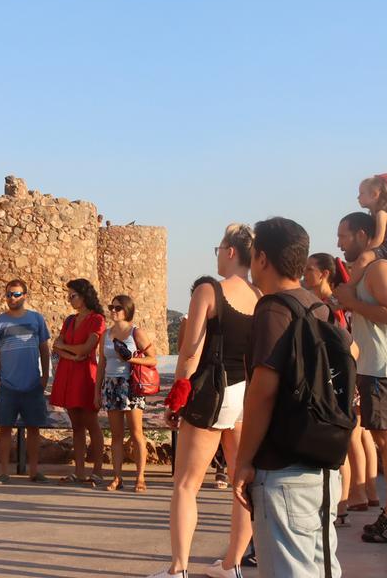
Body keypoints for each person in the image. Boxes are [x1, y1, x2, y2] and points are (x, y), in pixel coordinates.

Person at [232, 217, 351, 577]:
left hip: (283, 470)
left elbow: (263, 392)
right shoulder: (319, 307)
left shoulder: (273, 310)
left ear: (262, 259)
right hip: (322, 467)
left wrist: (243, 462)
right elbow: (352, 352)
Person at [153, 224, 257, 578]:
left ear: (231, 251)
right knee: (242, 485)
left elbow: (189, 353)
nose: (217, 255)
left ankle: (178, 569)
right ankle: (232, 565)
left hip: (213, 395)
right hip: (247, 396)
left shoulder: (209, 290)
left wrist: (176, 399)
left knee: (186, 484)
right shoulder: (259, 295)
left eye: (219, 248)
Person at [333, 211, 387, 543]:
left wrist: (351, 301)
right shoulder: (367, 272)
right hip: (375, 366)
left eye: (343, 236)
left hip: (385, 366)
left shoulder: (381, 269)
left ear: (363, 236)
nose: (339, 243)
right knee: (382, 438)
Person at [304, 252, 361, 527]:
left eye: (309, 269)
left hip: (332, 382)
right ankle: (342, 506)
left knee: (340, 447)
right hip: (335, 380)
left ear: (324, 274)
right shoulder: (327, 304)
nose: (304, 273)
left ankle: (341, 504)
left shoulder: (330, 307)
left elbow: (348, 346)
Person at [0, 279, 52, 484]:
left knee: (34, 428)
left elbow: (44, 349)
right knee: (4, 428)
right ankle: (3, 472)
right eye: (8, 295)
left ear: (24, 296)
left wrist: (44, 377)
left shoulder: (36, 319)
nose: (12, 298)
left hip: (32, 384)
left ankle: (34, 471)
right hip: (7, 386)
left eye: (16, 294)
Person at [94, 294, 156, 492]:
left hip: (131, 384)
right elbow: (101, 364)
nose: (113, 311)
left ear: (127, 310)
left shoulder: (135, 333)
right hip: (111, 385)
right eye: (111, 307)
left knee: (136, 433)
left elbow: (152, 359)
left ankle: (140, 477)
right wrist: (97, 391)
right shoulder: (106, 334)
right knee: (116, 435)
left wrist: (130, 359)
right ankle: (117, 477)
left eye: (118, 308)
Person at [50, 277, 106, 485]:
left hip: (86, 375)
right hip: (69, 373)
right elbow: (56, 346)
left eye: (72, 296)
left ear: (84, 296)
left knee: (91, 423)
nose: (69, 299)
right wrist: (73, 356)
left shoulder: (97, 319)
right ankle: (79, 471)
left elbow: (86, 349)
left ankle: (98, 471)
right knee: (76, 426)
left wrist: (69, 350)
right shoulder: (70, 320)